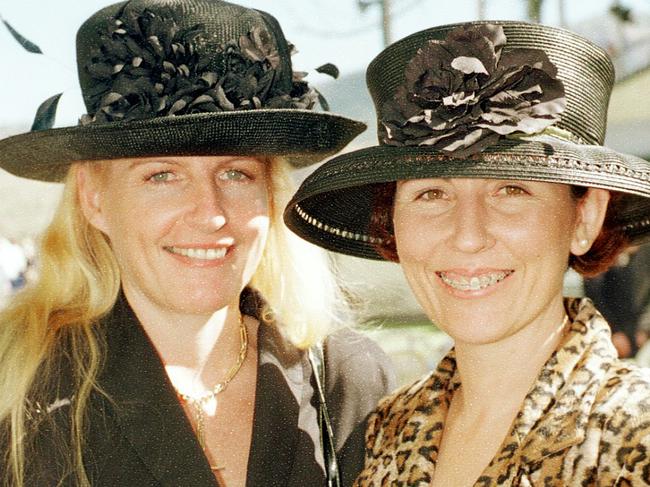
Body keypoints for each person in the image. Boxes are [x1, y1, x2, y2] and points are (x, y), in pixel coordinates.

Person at [0, 1, 395, 486]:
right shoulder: (16, 384)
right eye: (162, 175)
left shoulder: (345, 380)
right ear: (94, 197)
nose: (210, 213)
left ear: (270, 196)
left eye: (235, 173)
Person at [285, 21, 650, 485]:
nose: (467, 236)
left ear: (584, 219)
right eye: (432, 193)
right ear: (391, 222)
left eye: (511, 189)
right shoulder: (385, 430)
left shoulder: (635, 437)